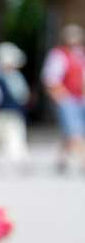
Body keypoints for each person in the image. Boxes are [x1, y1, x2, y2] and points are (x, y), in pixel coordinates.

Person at [41, 24, 85, 172]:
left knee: (72, 132)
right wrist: (60, 97)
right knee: (74, 131)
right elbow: (51, 78)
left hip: (81, 98)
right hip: (67, 98)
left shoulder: (80, 54)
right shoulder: (59, 54)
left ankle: (62, 160)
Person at [0, 42, 30, 168]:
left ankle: (16, 160)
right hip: (1, 112)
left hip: (13, 111)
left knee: (15, 135)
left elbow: (22, 95)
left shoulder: (15, 77)